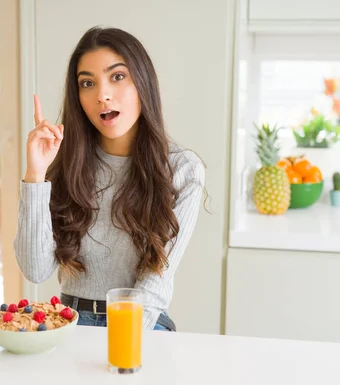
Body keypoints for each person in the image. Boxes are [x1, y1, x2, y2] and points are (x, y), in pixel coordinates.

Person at [13, 26, 205, 331]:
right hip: (68, 323)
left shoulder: (181, 169)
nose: (102, 95)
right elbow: (35, 270)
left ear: (143, 83)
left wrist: (119, 345)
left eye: (117, 76)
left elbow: (155, 284)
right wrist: (35, 175)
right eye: (87, 83)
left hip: (140, 323)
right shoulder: (66, 164)